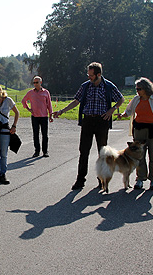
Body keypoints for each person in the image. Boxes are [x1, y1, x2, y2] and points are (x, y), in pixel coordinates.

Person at [53, 62, 124, 190]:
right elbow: (76, 101)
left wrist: (112, 109)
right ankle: (80, 180)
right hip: (88, 122)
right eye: (88, 74)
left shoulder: (108, 86)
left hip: (102, 121)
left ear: (99, 74)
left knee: (102, 152)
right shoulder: (85, 86)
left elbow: (121, 99)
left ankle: (101, 180)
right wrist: (61, 111)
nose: (89, 77)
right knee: (83, 151)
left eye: (91, 75)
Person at [118, 77, 153, 191]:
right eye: (136, 89)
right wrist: (122, 115)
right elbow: (128, 111)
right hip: (139, 129)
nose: (137, 91)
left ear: (146, 88)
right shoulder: (136, 99)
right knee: (139, 156)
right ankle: (140, 179)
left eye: (139, 89)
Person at [22, 76, 53, 158]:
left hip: (44, 116)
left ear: (41, 83)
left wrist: (51, 115)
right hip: (35, 116)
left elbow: (49, 104)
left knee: (45, 134)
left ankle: (45, 151)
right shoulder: (30, 93)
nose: (35, 84)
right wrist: (28, 108)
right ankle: (37, 151)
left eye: (37, 82)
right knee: (35, 134)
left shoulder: (46, 92)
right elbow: (23, 100)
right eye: (34, 83)